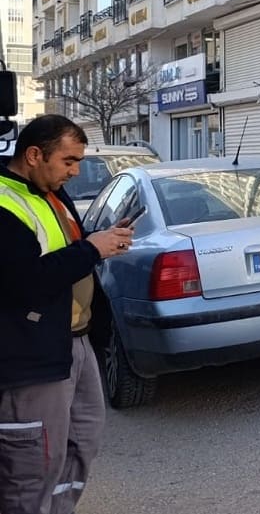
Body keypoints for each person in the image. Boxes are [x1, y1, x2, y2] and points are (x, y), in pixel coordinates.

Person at [0, 115, 134, 514]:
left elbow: (68, 256)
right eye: (69, 161)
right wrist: (93, 249)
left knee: (81, 440)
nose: (75, 172)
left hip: (74, 342)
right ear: (35, 154)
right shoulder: (5, 203)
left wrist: (99, 243)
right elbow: (23, 283)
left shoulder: (51, 193)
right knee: (31, 464)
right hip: (32, 357)